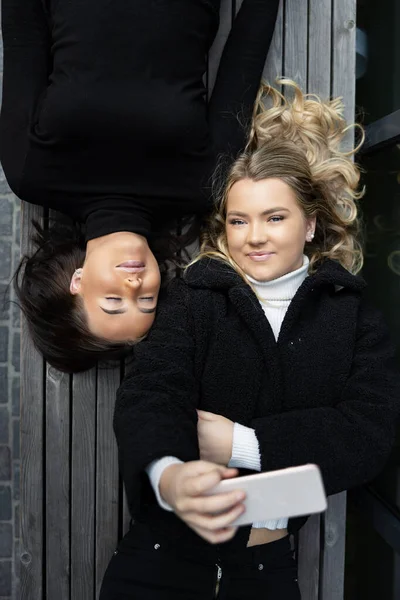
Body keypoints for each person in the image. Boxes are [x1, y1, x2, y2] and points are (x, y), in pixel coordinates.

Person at [99, 81, 400, 599]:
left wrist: (244, 444)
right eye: (239, 220)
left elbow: (366, 434)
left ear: (309, 224)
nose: (254, 236)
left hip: (265, 573)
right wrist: (170, 475)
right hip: (159, 561)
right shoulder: (195, 300)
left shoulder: (353, 318)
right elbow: (152, 394)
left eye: (274, 218)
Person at [0, 0, 280, 373]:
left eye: (114, 300)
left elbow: (24, 40)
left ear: (77, 282)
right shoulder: (202, 187)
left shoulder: (30, 173)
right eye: (147, 299)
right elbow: (244, 58)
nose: (134, 284)